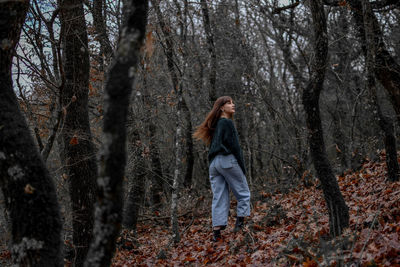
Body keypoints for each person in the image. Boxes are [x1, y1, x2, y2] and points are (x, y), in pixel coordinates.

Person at [193, 96, 251, 241]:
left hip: (214, 164)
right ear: (221, 108)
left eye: (233, 102)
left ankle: (216, 233)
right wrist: (242, 168)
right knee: (243, 192)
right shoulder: (227, 123)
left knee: (219, 197)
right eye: (229, 103)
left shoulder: (216, 124)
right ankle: (240, 224)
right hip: (227, 161)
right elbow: (235, 147)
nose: (233, 104)